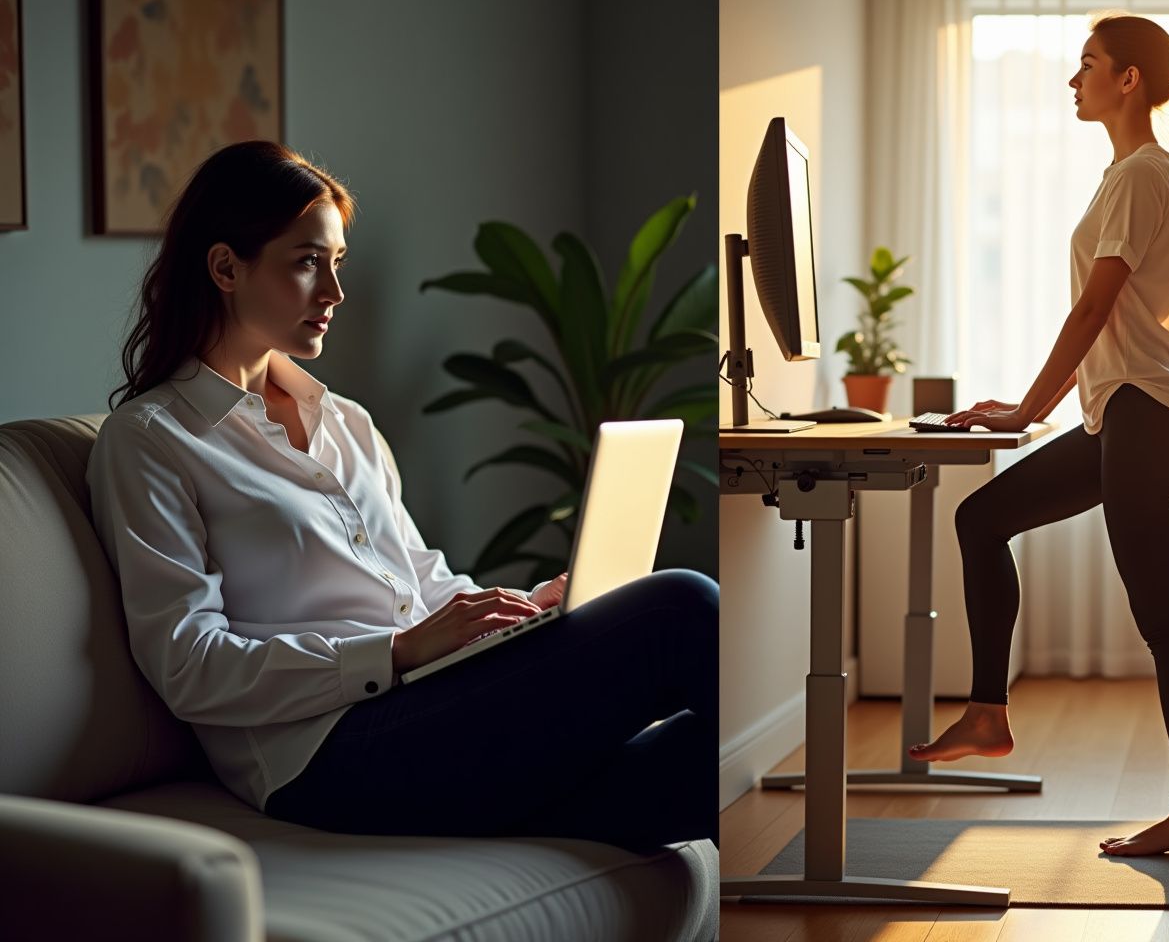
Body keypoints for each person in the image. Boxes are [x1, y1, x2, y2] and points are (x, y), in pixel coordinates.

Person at [87, 140, 717, 852]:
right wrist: (392, 653)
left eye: (336, 264)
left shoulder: (347, 421)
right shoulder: (150, 441)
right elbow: (188, 664)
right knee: (683, 607)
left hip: (430, 702)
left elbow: (417, 575)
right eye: (306, 262)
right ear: (226, 267)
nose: (334, 292)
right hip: (325, 754)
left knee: (687, 765)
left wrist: (518, 615)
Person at [906, 15, 1169, 858]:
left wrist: (1023, 410)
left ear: (1127, 81)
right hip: (1122, 414)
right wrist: (1041, 405)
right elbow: (1101, 318)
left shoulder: (1139, 173)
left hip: (1144, 416)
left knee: (1160, 615)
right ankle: (988, 711)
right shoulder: (1128, 173)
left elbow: (1094, 309)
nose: (1071, 80)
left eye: (1086, 66)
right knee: (981, 520)